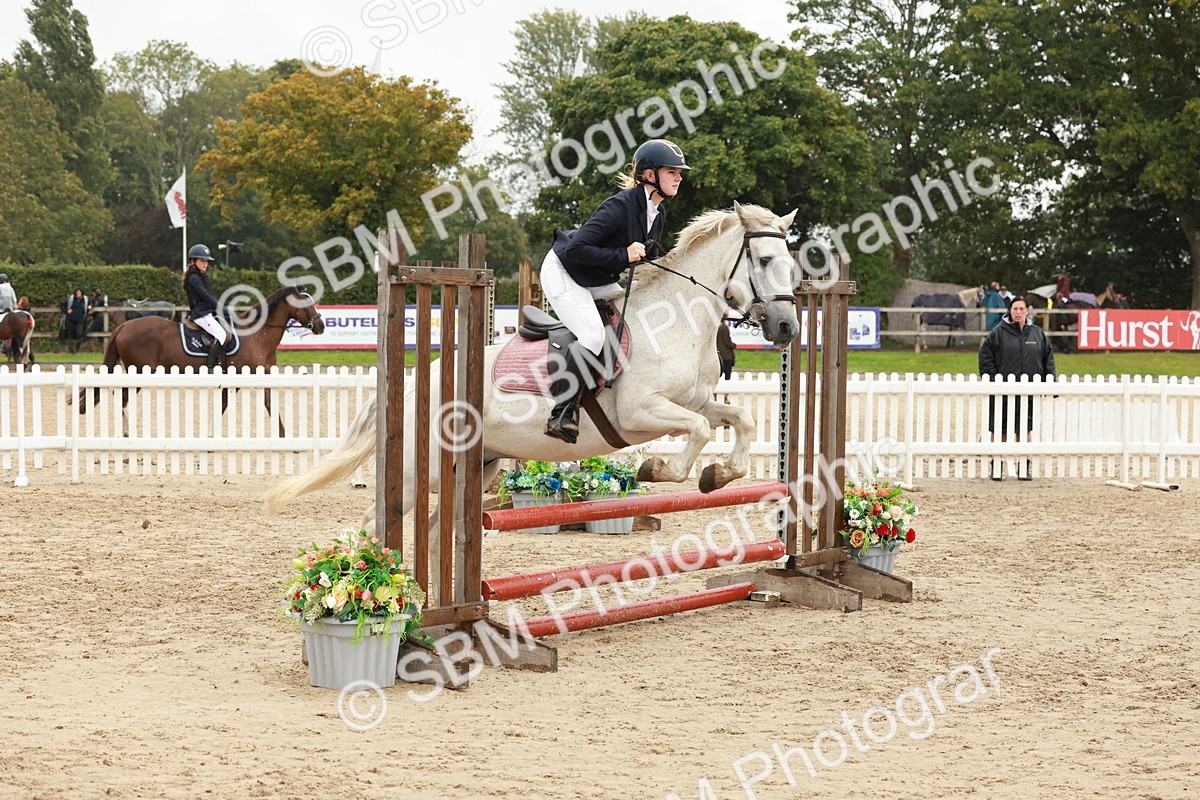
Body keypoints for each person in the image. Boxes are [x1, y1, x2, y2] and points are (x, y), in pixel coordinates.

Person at [539, 138, 689, 443]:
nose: (679, 177)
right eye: (672, 171)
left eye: (679, 172)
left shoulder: (657, 215)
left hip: (595, 277)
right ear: (650, 176)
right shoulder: (619, 206)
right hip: (564, 272)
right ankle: (562, 413)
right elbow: (577, 250)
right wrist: (623, 255)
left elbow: (648, 260)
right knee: (593, 335)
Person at [978, 296, 1055, 481]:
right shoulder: (998, 333)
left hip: (1028, 392)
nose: (1018, 312)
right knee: (1000, 429)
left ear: (1027, 311)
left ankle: (1024, 467)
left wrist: (1050, 383)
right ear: (1010, 311)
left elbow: (1048, 359)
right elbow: (985, 358)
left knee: (1024, 430)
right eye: (1015, 309)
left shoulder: (1037, 334)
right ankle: (996, 466)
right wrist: (994, 380)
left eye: (1022, 309)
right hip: (1002, 392)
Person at [183, 243, 228, 372]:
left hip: (207, 313)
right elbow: (206, 297)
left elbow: (210, 297)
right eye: (202, 261)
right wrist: (221, 309)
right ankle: (210, 366)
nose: (205, 264)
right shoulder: (193, 278)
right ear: (193, 261)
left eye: (207, 261)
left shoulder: (201, 276)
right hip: (200, 315)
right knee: (220, 333)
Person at [64, 287, 90, 354]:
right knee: (70, 335)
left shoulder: (85, 299)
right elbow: (61, 304)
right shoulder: (71, 299)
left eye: (79, 292)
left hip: (80, 320)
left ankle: (77, 348)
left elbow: (92, 303)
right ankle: (71, 350)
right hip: (70, 319)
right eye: (77, 292)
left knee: (79, 334)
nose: (78, 294)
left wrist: (90, 306)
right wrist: (67, 311)